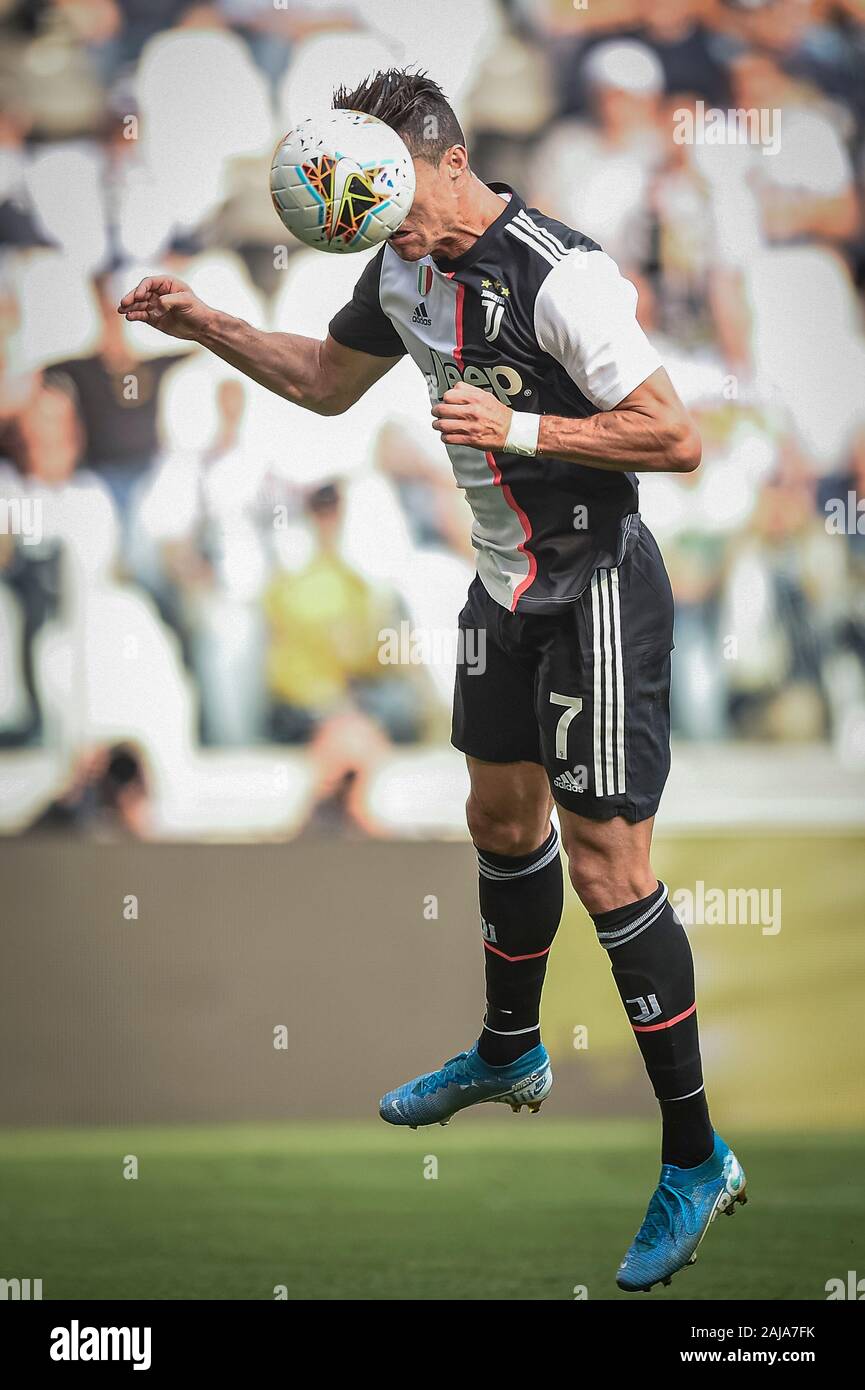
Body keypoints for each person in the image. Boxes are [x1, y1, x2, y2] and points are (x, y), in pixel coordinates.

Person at [117, 67, 745, 1293]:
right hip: (499, 589)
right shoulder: (399, 263)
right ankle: (511, 1050)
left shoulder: (562, 275)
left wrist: (519, 432)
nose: (377, 220)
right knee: (496, 820)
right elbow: (322, 380)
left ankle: (692, 1156)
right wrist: (204, 324)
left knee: (610, 867)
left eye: (393, 195)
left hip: (599, 587)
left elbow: (674, 435)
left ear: (447, 160)